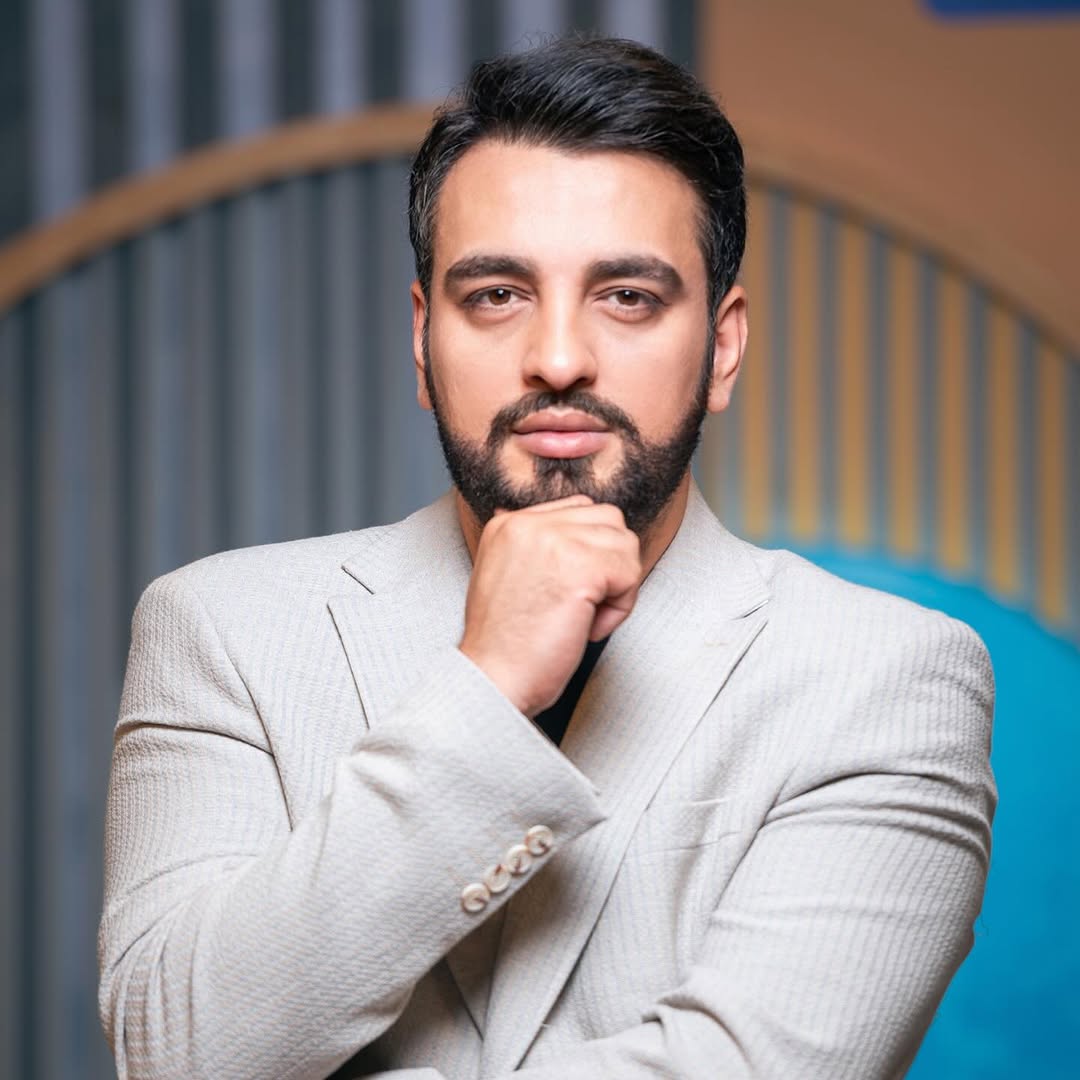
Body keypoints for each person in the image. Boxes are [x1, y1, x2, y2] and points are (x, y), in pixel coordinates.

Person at [97, 35, 995, 1080]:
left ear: (723, 347)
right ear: (422, 341)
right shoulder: (223, 629)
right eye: (496, 294)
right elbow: (176, 1052)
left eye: (628, 296)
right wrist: (483, 690)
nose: (559, 358)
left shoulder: (886, 676)